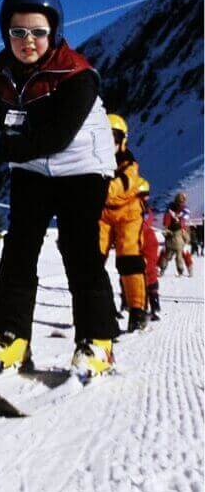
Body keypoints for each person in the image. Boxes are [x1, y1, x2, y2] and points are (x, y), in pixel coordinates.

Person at [0, 0, 119, 381]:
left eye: (37, 32)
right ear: (6, 34)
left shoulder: (78, 75)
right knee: (19, 247)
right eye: (18, 32)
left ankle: (97, 341)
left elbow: (56, 137)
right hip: (32, 167)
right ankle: (11, 336)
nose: (27, 41)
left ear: (54, 32)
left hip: (82, 165)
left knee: (78, 246)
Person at [99, 115, 148, 332]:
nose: (110, 142)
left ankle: (137, 310)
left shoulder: (129, 165)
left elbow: (118, 188)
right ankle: (98, 308)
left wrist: (92, 189)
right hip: (102, 214)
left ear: (122, 140)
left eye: (114, 137)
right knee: (92, 260)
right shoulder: (93, 162)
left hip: (128, 214)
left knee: (129, 260)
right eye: (104, 136)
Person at [137, 178, 161, 321]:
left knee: (146, 271)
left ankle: (151, 304)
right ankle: (149, 304)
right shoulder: (143, 209)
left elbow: (145, 224)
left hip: (144, 241)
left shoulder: (143, 210)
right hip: (140, 240)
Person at [159, 192, 191, 277]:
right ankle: (186, 270)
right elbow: (183, 224)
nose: (182, 203)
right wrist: (187, 238)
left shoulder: (172, 210)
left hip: (172, 236)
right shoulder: (180, 211)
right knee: (181, 254)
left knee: (167, 255)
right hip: (178, 235)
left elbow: (166, 222)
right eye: (181, 201)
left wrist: (166, 231)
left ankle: (162, 269)